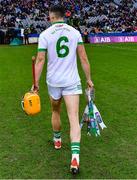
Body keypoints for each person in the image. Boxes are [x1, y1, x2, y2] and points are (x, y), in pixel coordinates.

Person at [32, 4, 94, 174]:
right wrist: (88, 79)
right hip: (72, 81)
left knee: (55, 111)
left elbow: (40, 60)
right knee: (73, 117)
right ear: (63, 16)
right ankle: (75, 156)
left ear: (52, 17)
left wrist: (35, 83)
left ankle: (57, 140)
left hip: (54, 81)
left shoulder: (45, 35)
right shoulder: (75, 33)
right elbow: (83, 57)